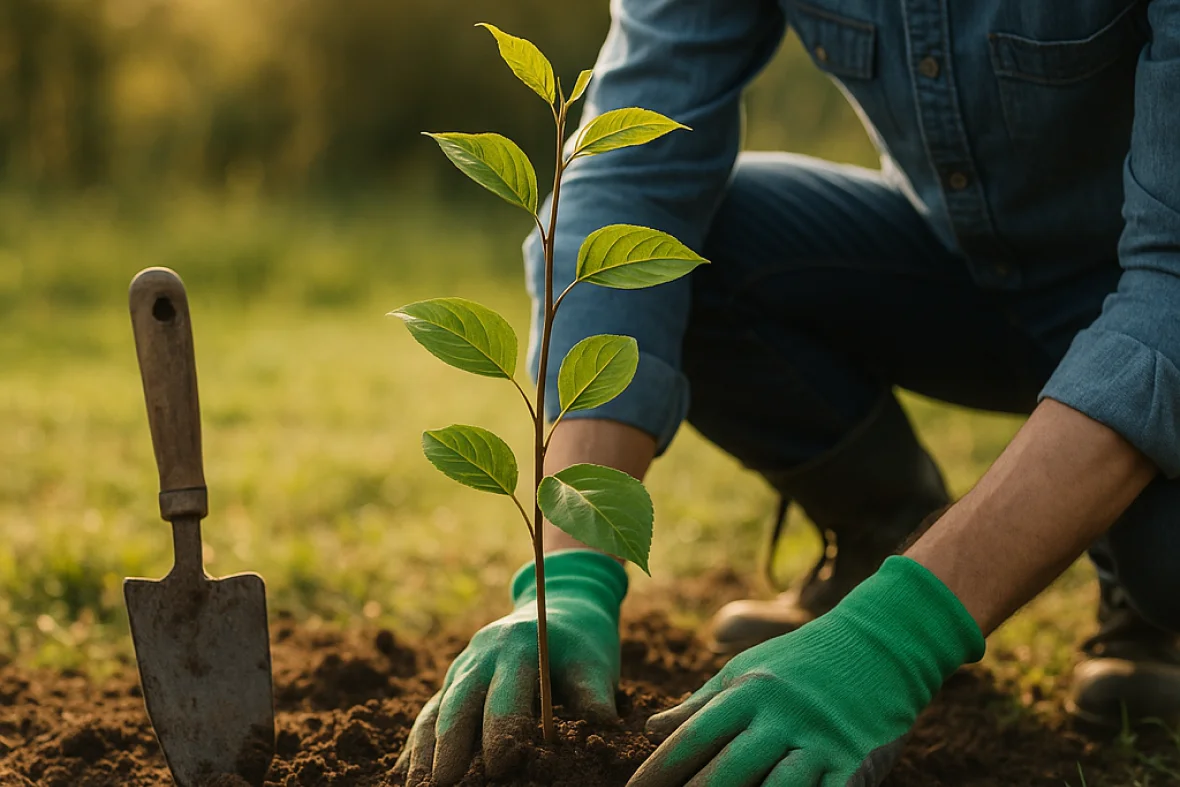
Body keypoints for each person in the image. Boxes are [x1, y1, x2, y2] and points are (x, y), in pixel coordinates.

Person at [396, 1, 1180, 783]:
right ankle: (887, 531)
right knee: (675, 254)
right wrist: (567, 573)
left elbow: (1171, 288)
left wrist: (895, 640)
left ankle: (1136, 590)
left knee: (1166, 547)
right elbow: (629, 178)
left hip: (1154, 289)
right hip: (967, 266)